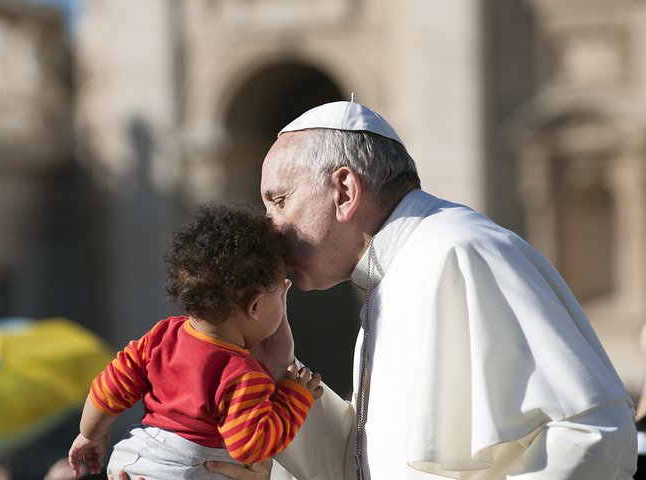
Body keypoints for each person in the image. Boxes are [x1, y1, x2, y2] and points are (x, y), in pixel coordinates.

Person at [206, 100, 637, 480]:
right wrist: (277, 373)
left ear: (343, 191)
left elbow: (591, 433)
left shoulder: (461, 251)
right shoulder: (387, 278)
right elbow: (367, 467)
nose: (269, 229)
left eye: (279, 201)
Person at [68, 204, 323, 479]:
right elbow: (249, 447)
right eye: (281, 295)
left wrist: (90, 435)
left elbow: (109, 387)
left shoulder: (162, 336)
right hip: (184, 470)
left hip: (131, 458)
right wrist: (293, 397)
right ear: (256, 306)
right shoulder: (243, 375)